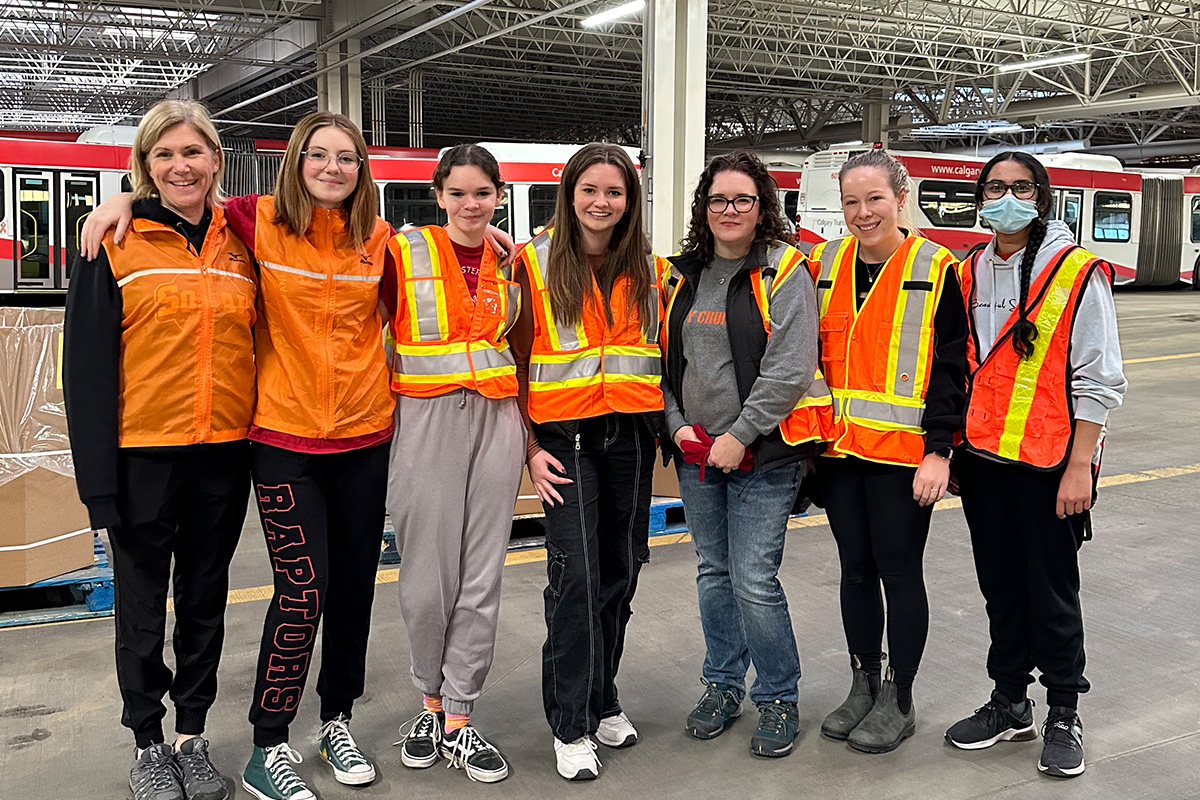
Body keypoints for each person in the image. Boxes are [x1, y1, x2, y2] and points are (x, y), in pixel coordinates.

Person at [82, 111, 398, 800]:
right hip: (256, 442)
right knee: (286, 594)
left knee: (311, 594)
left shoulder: (374, 239)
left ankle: (297, 725)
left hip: (325, 442)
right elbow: (176, 200)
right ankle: (222, 742)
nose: (332, 168)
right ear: (295, 162)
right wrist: (123, 199)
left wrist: (491, 239)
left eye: (347, 157)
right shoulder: (251, 223)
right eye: (317, 155)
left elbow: (425, 298)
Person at [64, 99, 256, 800]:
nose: (181, 166)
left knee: (205, 601)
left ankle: (191, 736)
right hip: (141, 455)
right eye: (165, 154)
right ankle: (147, 742)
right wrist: (97, 484)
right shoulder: (112, 243)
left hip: (224, 454)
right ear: (144, 164)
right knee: (142, 610)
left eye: (193, 152)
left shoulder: (243, 244)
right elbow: (85, 369)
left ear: (216, 160)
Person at [944, 152, 1125, 779]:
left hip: (1051, 464)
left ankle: (1064, 711)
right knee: (1000, 588)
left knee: (1051, 591)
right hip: (984, 460)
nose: (1007, 198)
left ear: (1042, 197)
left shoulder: (1076, 270)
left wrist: (1080, 467)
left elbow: (1099, 377)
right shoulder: (968, 270)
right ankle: (1010, 701)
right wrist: (956, 450)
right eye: (995, 187)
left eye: (1021, 188)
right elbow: (963, 366)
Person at [661, 151, 833, 759]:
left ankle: (778, 695)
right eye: (718, 200)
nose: (729, 210)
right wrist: (676, 426)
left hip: (763, 455)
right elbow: (663, 360)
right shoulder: (682, 274)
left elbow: (791, 367)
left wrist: (740, 435)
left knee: (754, 579)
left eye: (742, 200)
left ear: (762, 208)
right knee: (713, 571)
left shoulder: (784, 270)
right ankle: (723, 684)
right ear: (703, 208)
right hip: (697, 453)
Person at [508, 143, 667, 782]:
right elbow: (514, 364)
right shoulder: (533, 263)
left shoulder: (649, 268)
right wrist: (529, 448)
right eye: (590, 190)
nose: (602, 203)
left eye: (615, 192)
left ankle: (603, 700)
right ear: (569, 195)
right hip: (565, 440)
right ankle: (570, 724)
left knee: (619, 574)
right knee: (574, 579)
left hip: (629, 438)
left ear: (630, 201)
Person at [807, 149, 967, 754]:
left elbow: (952, 368)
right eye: (851, 201)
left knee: (898, 570)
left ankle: (899, 698)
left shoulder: (937, 267)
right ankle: (863, 683)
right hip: (840, 452)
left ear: (901, 199)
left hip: (904, 457)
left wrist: (940, 451)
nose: (863, 212)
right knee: (854, 568)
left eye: (875, 198)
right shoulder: (823, 264)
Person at [387, 144, 525, 783]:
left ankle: (460, 714)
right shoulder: (401, 250)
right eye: (459, 193)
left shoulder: (514, 263)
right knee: (426, 575)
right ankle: (429, 699)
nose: (472, 205)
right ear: (438, 195)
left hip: (497, 420)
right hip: (425, 419)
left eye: (483, 193)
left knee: (481, 575)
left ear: (499, 196)